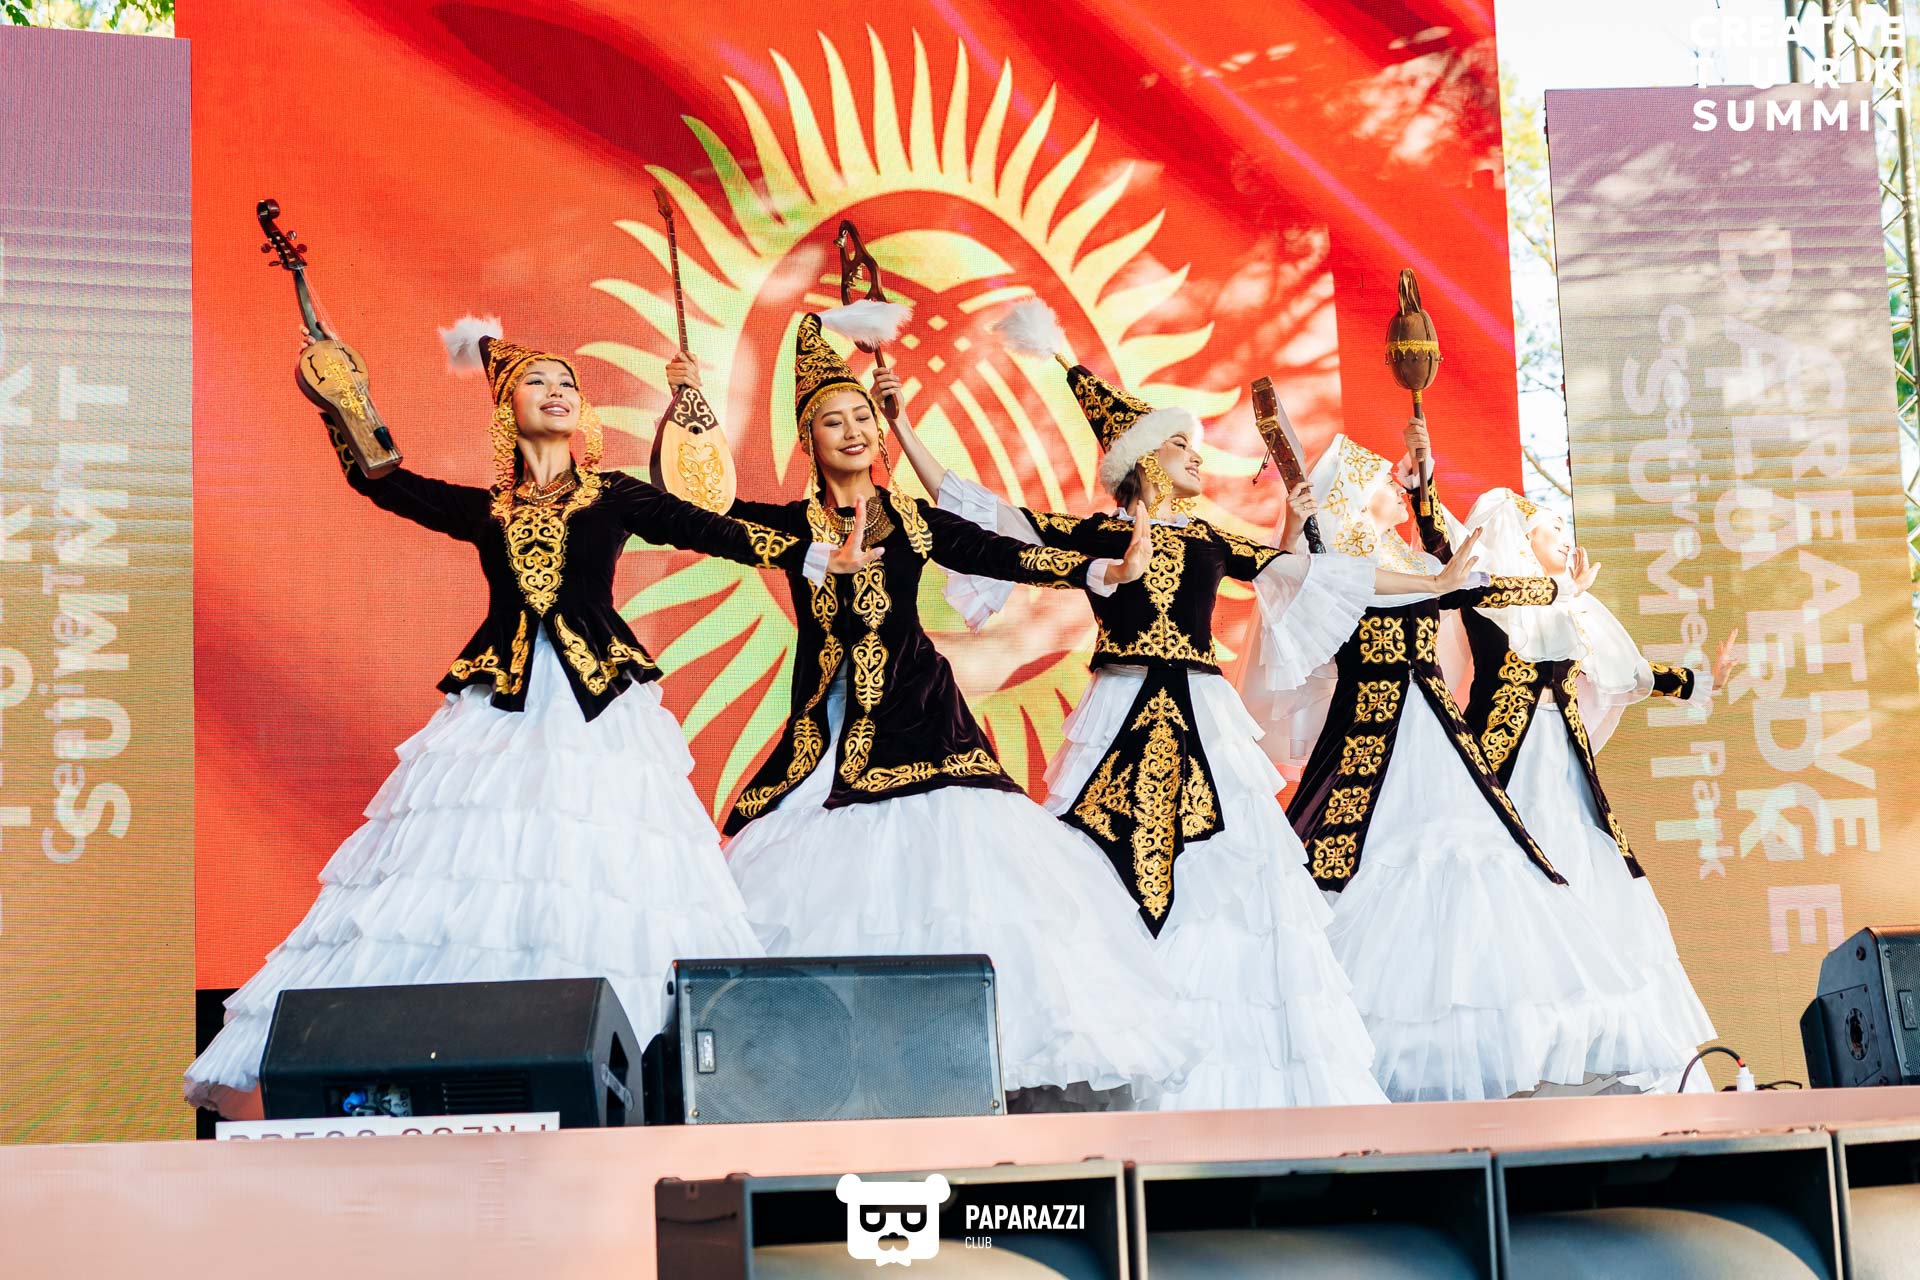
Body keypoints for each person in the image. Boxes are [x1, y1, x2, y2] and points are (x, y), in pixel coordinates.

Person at [184, 321, 853, 1117]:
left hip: (597, 707)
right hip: (498, 706)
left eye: (568, 383)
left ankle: (638, 1076)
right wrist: (345, 399)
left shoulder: (614, 494)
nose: (559, 392)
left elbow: (710, 529)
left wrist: (814, 553)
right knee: (478, 868)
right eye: (540, 382)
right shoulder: (488, 510)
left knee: (600, 868)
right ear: (508, 410)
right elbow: (386, 481)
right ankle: (470, 1063)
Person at [889, 299, 1478, 1108]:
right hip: (1121, 709)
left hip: (1203, 714)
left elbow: (1317, 575)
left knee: (1233, 880)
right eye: (1179, 446)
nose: (1197, 457)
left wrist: (1434, 583)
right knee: (1099, 871)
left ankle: (1227, 1085)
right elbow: (982, 513)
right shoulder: (1098, 538)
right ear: (1143, 462)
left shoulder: (1209, 541)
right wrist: (900, 427)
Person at [679, 308, 1200, 1111]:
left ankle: (951, 1069)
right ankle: (840, 1084)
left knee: (954, 881)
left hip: (923, 718)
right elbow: (697, 507)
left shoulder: (912, 520)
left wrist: (1101, 571)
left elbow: (1005, 553)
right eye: (832, 421)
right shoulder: (791, 526)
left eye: (861, 418)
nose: (853, 431)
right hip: (825, 736)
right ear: (808, 439)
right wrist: (689, 408)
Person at [1240, 427, 1689, 1102]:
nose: (1390, 486)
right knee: (1374, 867)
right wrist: (1295, 527)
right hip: (1369, 733)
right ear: (1352, 495)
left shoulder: (1404, 558)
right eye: (1377, 480)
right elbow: (1297, 582)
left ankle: (1497, 1049)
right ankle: (1360, 1054)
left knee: (1479, 861)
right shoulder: (1339, 563)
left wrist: (1553, 591)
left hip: (1435, 728)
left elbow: (1474, 584)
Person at [1456, 485, 1735, 1092]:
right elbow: (1449, 556)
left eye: (1565, 528)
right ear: (1521, 538)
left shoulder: (1575, 606)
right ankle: (1523, 1050)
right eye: (1552, 528)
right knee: (1513, 884)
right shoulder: (1489, 597)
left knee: (1589, 872)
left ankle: (1594, 1049)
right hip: (1503, 763)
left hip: (1563, 762)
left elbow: (1624, 673)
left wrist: (1698, 680)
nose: (1565, 537)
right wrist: (1420, 486)